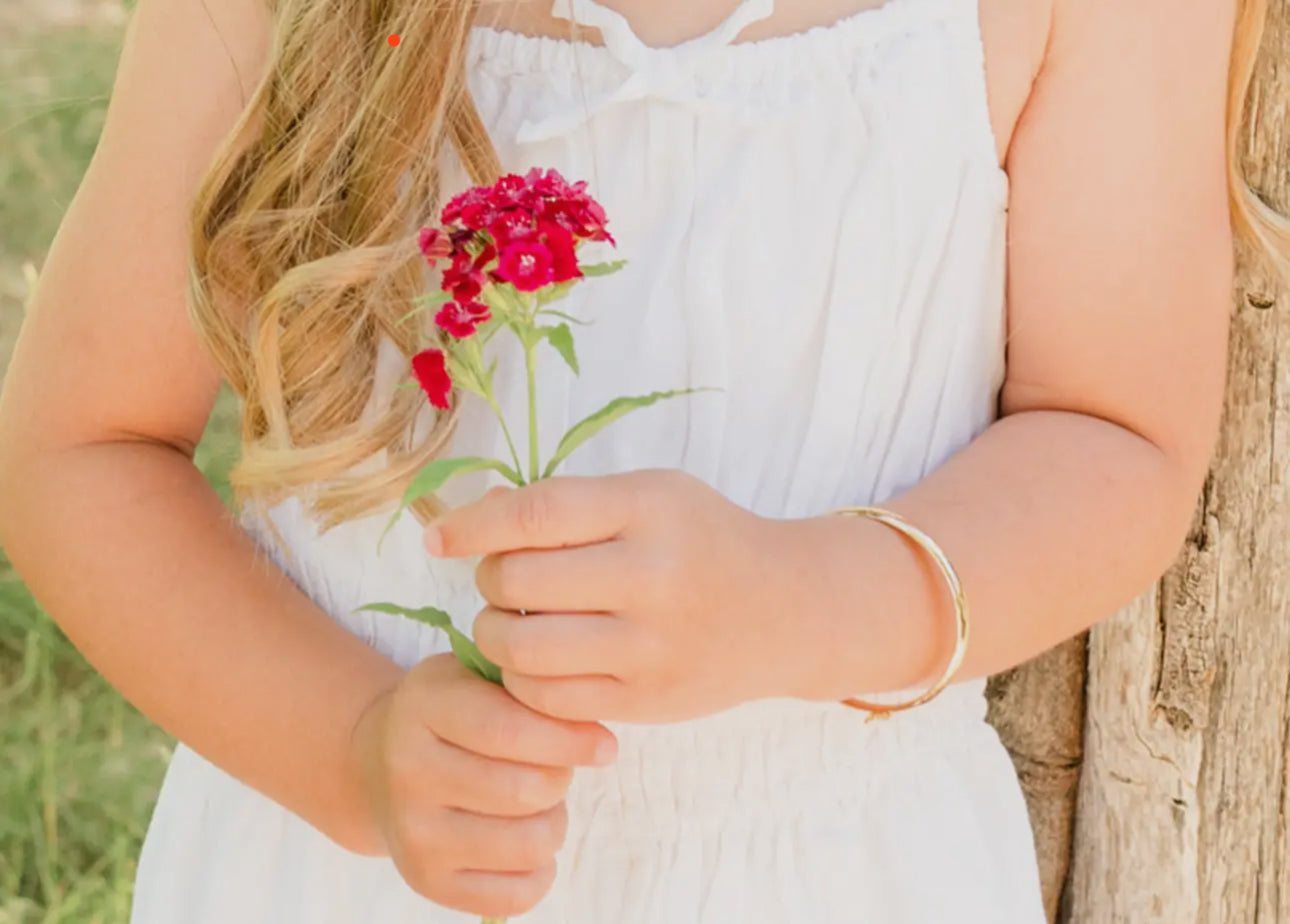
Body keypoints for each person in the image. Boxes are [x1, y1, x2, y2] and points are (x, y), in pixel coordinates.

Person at [0, 0, 1276, 920]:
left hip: (838, 878)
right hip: (353, 874)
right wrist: (350, 747)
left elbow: (1116, 432)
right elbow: (81, 449)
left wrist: (811, 595)